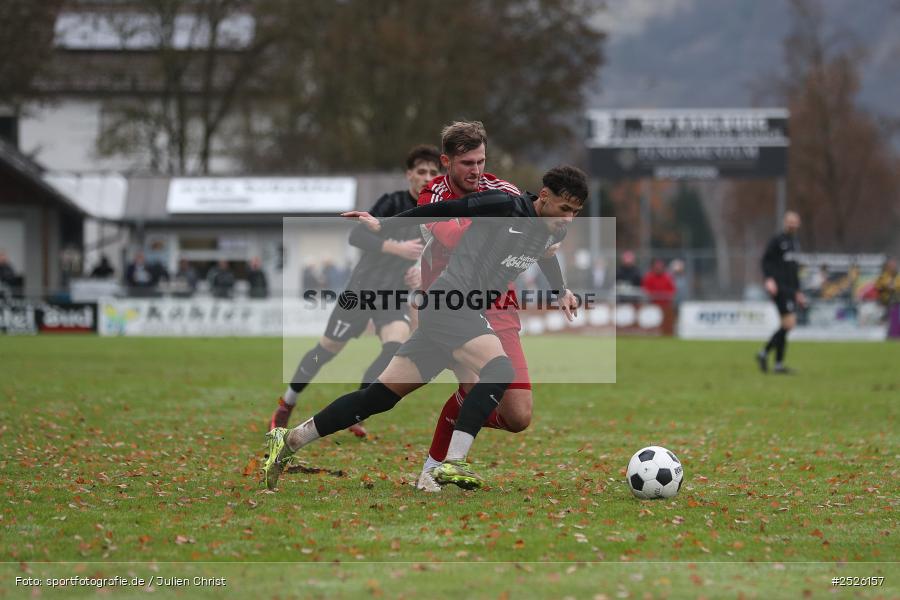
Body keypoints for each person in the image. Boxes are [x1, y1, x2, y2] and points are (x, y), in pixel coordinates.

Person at [262, 165, 587, 492]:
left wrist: (560, 290)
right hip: (451, 302)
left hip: (455, 312)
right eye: (564, 209)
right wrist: (385, 224)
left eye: (575, 212)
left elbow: (544, 251)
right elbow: (447, 208)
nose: (569, 218)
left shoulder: (554, 229)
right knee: (500, 369)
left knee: (377, 397)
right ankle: (453, 461)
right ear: (544, 196)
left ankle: (291, 439)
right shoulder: (503, 205)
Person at [267, 144, 441, 436]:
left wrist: (422, 274)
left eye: (433, 172)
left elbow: (438, 254)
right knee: (326, 351)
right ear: (409, 174)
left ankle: (356, 410)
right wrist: (396, 248)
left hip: (394, 294)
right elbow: (357, 235)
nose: (427, 177)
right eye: (421, 171)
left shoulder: (435, 213)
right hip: (362, 289)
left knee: (395, 346)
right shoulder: (391, 202)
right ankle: (287, 403)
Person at [413, 121, 536, 494]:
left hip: (499, 304)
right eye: (467, 163)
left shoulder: (504, 190)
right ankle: (433, 469)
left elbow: (538, 224)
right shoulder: (432, 195)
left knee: (518, 416)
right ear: (447, 162)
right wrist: (504, 223)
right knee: (469, 385)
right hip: (451, 305)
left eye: (481, 161)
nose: (476, 170)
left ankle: (459, 426)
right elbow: (455, 238)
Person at [756, 211, 806, 374]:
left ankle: (775, 362)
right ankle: (765, 353)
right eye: (790, 221)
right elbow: (765, 261)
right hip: (779, 287)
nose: (792, 224)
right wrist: (769, 279)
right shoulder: (777, 240)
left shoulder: (796, 243)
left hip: (791, 289)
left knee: (786, 325)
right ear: (785, 222)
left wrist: (798, 291)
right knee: (789, 323)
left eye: (795, 222)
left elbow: (794, 270)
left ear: (798, 224)